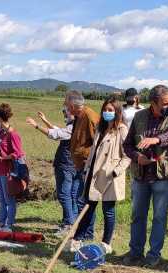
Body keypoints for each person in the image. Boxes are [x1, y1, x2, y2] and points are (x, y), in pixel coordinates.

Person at [122, 85, 168, 267]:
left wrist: (157, 139)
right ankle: (135, 253)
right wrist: (137, 157)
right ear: (153, 103)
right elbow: (128, 145)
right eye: (165, 103)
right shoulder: (140, 117)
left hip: (163, 175)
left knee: (159, 216)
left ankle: (153, 255)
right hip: (141, 174)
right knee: (137, 215)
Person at [71, 97, 130, 254]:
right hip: (93, 173)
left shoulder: (122, 129)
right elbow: (94, 151)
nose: (107, 112)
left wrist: (117, 170)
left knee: (108, 210)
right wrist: (86, 169)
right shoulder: (100, 127)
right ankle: (77, 240)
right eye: (105, 109)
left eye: (110, 110)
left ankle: (106, 243)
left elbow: (128, 154)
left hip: (110, 176)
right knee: (88, 208)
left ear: (117, 112)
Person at [26, 108, 75, 234]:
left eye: (66, 112)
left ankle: (70, 224)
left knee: (64, 195)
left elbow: (55, 134)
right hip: (67, 165)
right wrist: (45, 120)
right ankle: (67, 222)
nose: (64, 114)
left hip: (66, 165)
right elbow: (59, 131)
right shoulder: (72, 126)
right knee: (69, 196)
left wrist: (37, 125)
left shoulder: (73, 127)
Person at [65, 90, 99, 239]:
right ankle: (84, 233)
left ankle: (86, 234)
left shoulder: (89, 116)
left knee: (83, 202)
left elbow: (97, 142)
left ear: (72, 105)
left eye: (66, 104)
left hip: (87, 167)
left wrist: (90, 164)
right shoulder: (79, 116)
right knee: (80, 200)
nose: (65, 107)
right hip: (80, 165)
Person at [0, 104, 25, 232]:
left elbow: (18, 153)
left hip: (8, 172)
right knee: (1, 200)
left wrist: (4, 158)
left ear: (0, 119)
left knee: (9, 200)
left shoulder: (13, 135)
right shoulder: (0, 133)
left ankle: (9, 225)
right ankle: (1, 223)